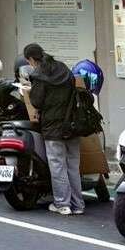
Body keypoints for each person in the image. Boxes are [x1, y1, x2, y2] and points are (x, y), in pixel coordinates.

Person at [24, 42, 85, 217]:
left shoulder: (39, 74)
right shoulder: (63, 68)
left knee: (57, 165)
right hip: (72, 124)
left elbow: (36, 101)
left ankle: (62, 204)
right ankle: (78, 205)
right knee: (73, 166)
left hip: (52, 126)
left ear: (31, 59)